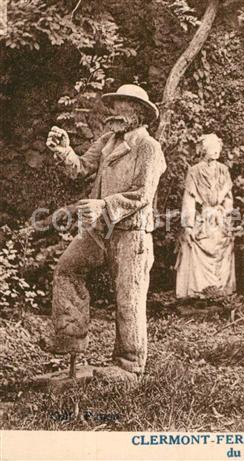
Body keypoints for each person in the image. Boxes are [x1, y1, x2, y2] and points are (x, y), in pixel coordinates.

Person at [45, 84, 166, 383]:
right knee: (67, 269)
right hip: (100, 231)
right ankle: (70, 339)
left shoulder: (148, 147)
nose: (114, 111)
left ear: (138, 113)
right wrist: (64, 151)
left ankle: (129, 366)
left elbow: (142, 194)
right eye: (114, 105)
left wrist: (104, 205)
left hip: (131, 233)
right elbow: (81, 168)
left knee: (129, 298)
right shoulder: (108, 140)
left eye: (123, 105)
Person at [175, 133, 236, 298]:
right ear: (203, 150)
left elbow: (229, 199)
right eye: (212, 148)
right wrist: (188, 225)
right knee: (194, 243)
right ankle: (199, 293)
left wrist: (225, 213)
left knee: (223, 246)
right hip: (203, 217)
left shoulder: (224, 170)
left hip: (220, 218)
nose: (216, 151)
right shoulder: (194, 171)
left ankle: (221, 291)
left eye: (218, 148)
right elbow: (189, 199)